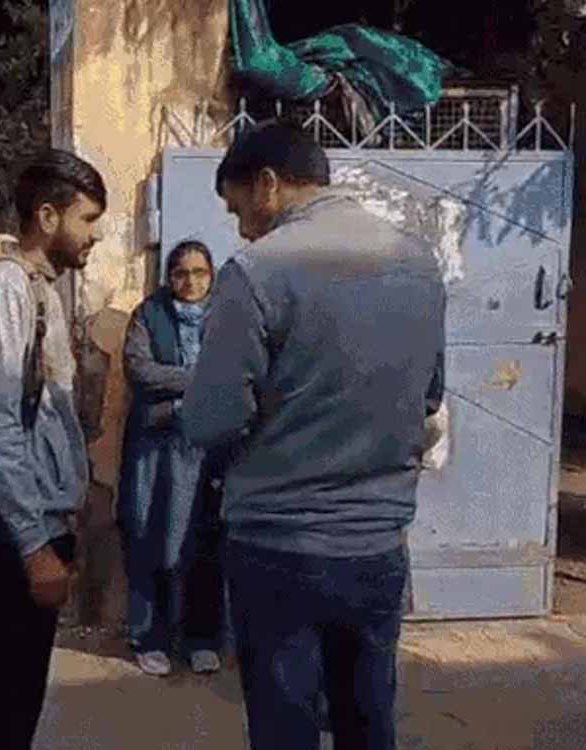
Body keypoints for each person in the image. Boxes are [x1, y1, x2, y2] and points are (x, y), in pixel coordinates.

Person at [181, 123, 445, 750]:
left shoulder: (256, 272)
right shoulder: (417, 262)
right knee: (367, 722)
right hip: (378, 543)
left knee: (285, 728)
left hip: (278, 545)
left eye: (238, 210)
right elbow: (430, 397)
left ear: (267, 184)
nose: (242, 229)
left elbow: (210, 420)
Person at [0, 149, 106, 750]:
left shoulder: (40, 289)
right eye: (87, 219)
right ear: (47, 216)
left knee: (18, 704)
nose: (94, 235)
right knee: (3, 706)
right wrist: (34, 545)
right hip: (21, 532)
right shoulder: (6, 288)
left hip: (39, 525)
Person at [117, 240, 225, 677]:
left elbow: (237, 369)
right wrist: (200, 380)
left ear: (211, 276)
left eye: (200, 273)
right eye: (181, 273)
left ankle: (202, 639)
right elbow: (140, 370)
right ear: (169, 277)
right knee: (150, 533)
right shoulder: (148, 315)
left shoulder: (225, 315)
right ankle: (150, 637)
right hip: (157, 447)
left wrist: (186, 383)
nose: (191, 282)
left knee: (205, 537)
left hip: (209, 447)